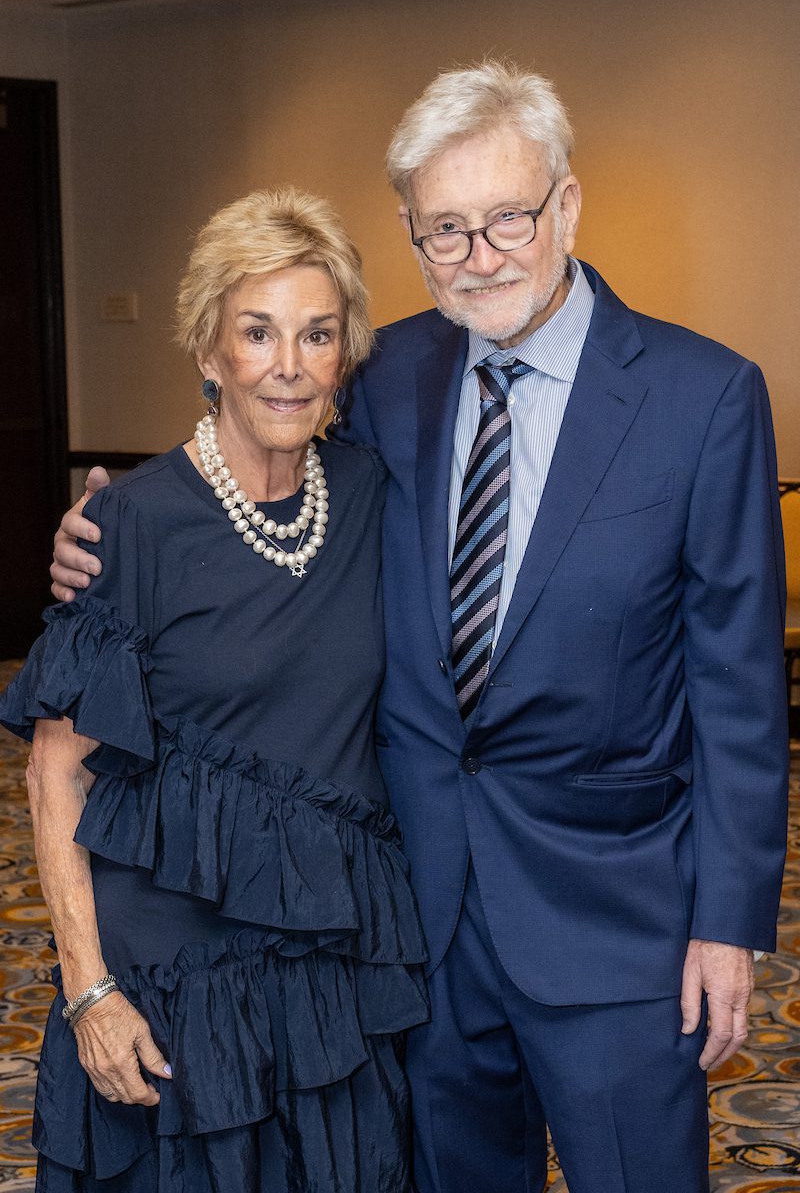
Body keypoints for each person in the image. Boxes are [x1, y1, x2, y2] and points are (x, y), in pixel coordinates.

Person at [50, 62, 788, 1193]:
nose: (479, 254)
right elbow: (256, 429)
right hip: (411, 927)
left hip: (619, 927)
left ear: (566, 207)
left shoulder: (703, 397)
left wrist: (726, 925)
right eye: (445, 229)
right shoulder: (385, 371)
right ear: (408, 232)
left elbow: (735, 691)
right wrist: (106, 525)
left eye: (505, 218)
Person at [2, 186, 428, 1193]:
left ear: (343, 357)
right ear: (208, 352)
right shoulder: (132, 527)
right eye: (258, 331)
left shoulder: (371, 494)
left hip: (329, 963)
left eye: (316, 334)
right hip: (170, 975)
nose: (288, 364)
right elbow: (54, 778)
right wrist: (87, 988)